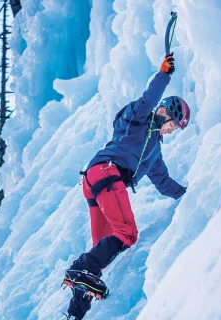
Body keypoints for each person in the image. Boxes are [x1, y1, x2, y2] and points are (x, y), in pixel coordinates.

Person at [63, 54, 191, 320]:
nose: (171, 131)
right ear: (166, 111)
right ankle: (81, 267)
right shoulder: (138, 119)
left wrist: (190, 194)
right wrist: (163, 75)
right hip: (108, 172)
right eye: (172, 125)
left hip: (95, 182)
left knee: (102, 246)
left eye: (175, 130)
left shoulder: (154, 151)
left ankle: (76, 312)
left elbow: (164, 183)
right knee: (128, 233)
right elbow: (148, 99)